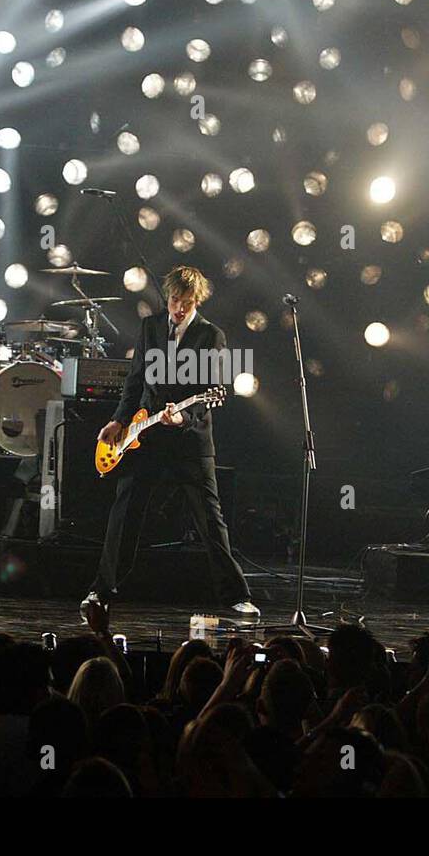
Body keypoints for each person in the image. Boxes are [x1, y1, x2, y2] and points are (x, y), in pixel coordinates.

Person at [80, 266, 258, 620]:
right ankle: (100, 592)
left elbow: (209, 394)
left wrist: (184, 418)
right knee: (125, 510)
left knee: (209, 517)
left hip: (189, 440)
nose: (178, 308)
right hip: (145, 433)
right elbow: (135, 381)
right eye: (175, 300)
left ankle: (237, 595)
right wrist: (118, 420)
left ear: (197, 300)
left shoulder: (211, 335)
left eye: (186, 302)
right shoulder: (150, 327)